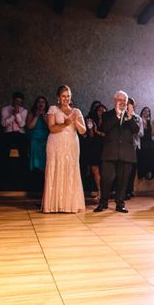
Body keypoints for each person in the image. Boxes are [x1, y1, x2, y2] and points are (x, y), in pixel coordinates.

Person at [41, 85, 86, 213]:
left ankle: (70, 204)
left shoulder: (76, 111)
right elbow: (52, 128)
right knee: (56, 169)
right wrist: (65, 124)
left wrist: (75, 122)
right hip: (56, 143)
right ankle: (53, 205)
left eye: (68, 96)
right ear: (58, 98)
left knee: (71, 169)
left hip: (72, 144)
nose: (66, 99)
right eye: (63, 96)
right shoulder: (53, 109)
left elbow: (83, 131)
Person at [93, 90, 140, 213]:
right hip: (110, 152)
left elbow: (136, 130)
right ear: (115, 101)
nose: (122, 102)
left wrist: (129, 117)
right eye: (119, 100)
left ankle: (120, 203)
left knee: (123, 180)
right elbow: (104, 128)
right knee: (106, 179)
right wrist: (117, 115)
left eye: (124, 100)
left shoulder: (132, 116)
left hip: (127, 153)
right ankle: (103, 203)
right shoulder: (107, 115)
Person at [26, 96, 50, 173]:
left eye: (43, 102)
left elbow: (50, 127)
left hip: (45, 137)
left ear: (45, 104)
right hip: (35, 137)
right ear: (36, 104)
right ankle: (35, 169)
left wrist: (44, 117)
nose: (41, 103)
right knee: (34, 143)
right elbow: (30, 127)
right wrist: (36, 116)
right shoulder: (31, 114)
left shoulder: (49, 114)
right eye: (39, 102)